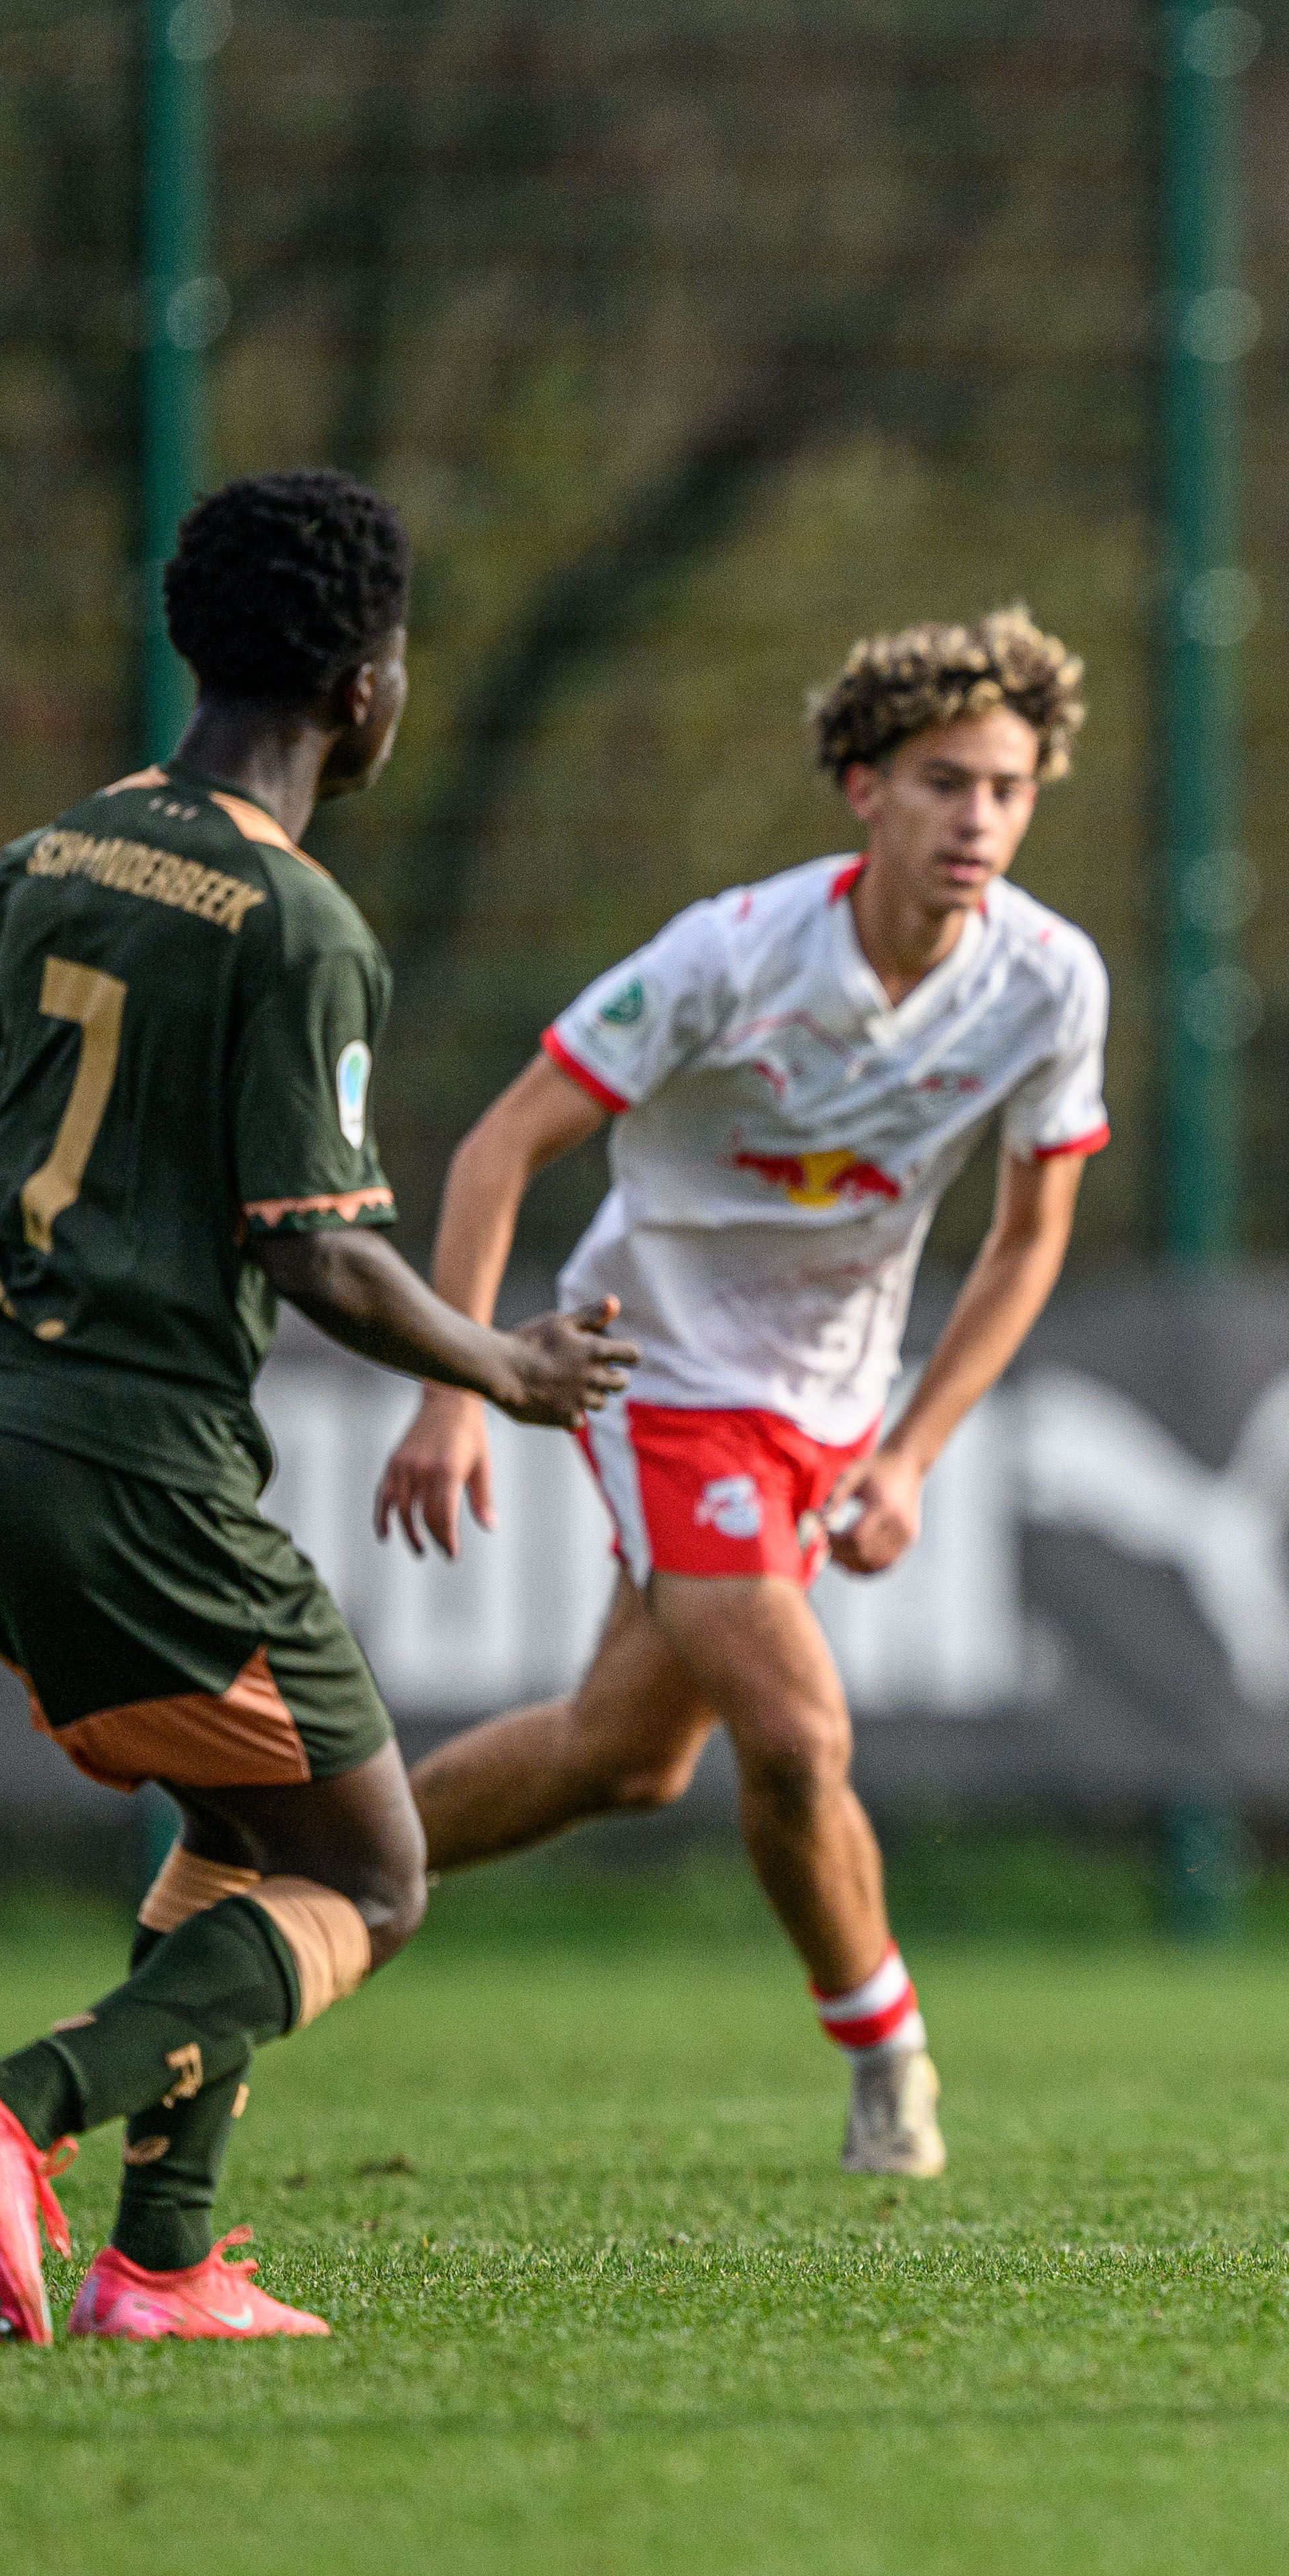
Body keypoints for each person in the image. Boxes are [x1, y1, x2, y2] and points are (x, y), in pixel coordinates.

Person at [0, 468, 637, 2345]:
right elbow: (319, 1253)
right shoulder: (297, 926)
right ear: (366, 687)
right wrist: (506, 1362)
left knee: (242, 1829)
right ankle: (15, 2102)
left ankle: (161, 2260)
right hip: (127, 1466)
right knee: (374, 1874)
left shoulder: (60, 851)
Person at [375, 614, 1110, 2180]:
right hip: (658, 1367)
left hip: (837, 1395)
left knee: (620, 1755)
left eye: (1008, 787)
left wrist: (912, 1451)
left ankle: (321, 1859)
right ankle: (888, 2054)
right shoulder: (728, 954)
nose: (978, 818)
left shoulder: (1049, 981)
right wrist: (453, 1387)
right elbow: (499, 1145)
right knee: (795, 1724)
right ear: (861, 786)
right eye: (942, 782)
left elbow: (1028, 1236)